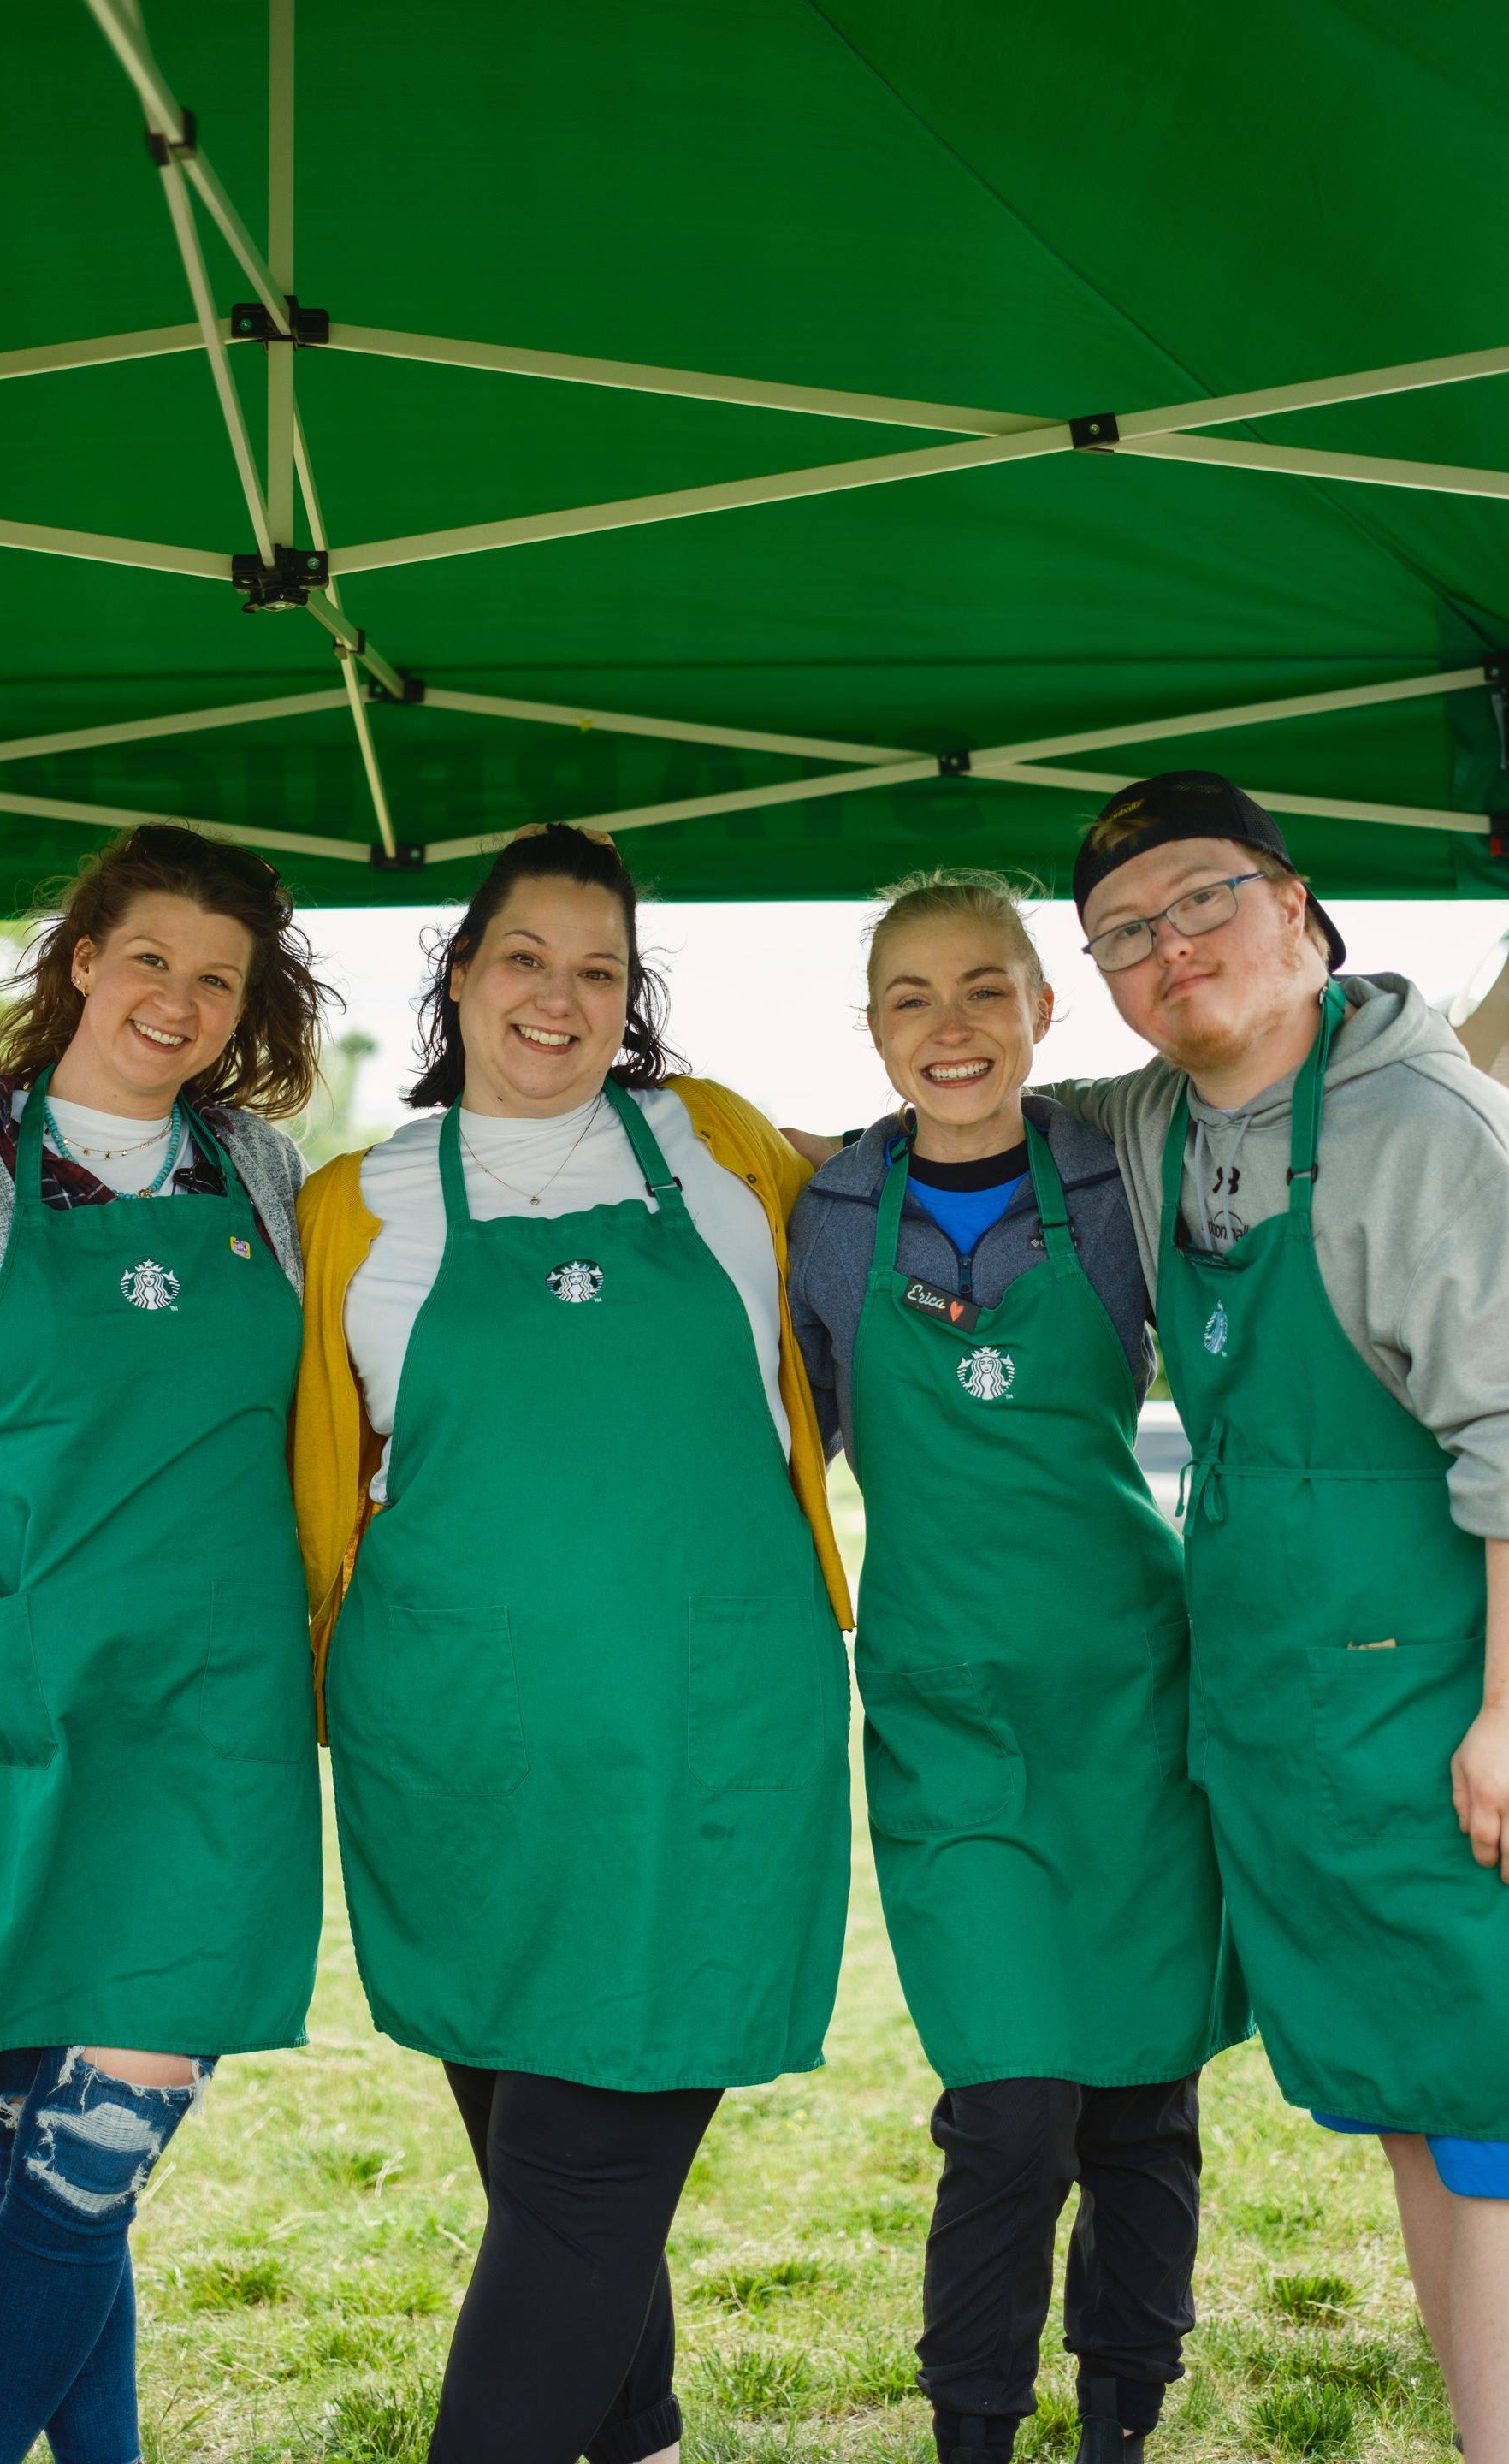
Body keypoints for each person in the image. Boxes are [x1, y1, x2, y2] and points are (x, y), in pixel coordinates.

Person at [290, 821, 853, 2464]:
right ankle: (642, 2436)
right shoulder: (350, 1206)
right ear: (459, 976)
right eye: (525, 958)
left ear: (634, 997)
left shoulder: (732, 1151)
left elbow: (972, 1173)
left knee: (582, 2177)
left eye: (599, 969)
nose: (560, 995)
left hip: (703, 1736)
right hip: (464, 1754)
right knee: (544, 2160)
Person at [1047, 771, 1509, 2462]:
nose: (1173, 951)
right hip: (1301, 1713)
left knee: (1494, 2129)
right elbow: (973, 1121)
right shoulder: (1159, 1118)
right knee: (1424, 2109)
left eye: (1205, 902)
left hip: (1451, 1705)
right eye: (1123, 936)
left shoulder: (1420, 1130)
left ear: (1300, 908)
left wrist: (1508, 1717)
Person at [0, 824, 331, 2463]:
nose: (181, 1000)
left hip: (212, 1732)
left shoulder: (265, 1175)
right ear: (81, 961)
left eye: (219, 978)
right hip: (9, 1713)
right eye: (150, 959)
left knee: (84, 2174)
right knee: (51, 2175)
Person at [785, 870, 1247, 2464]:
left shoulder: (1125, 1167)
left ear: (1047, 1008)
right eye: (910, 997)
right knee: (1011, 2111)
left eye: (985, 987)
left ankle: (1123, 2421)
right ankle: (973, 2430)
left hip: (1134, 1702)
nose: (951, 1026)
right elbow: (786, 1436)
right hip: (950, 1720)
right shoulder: (827, 1215)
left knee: (1140, 2108)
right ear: (871, 1030)